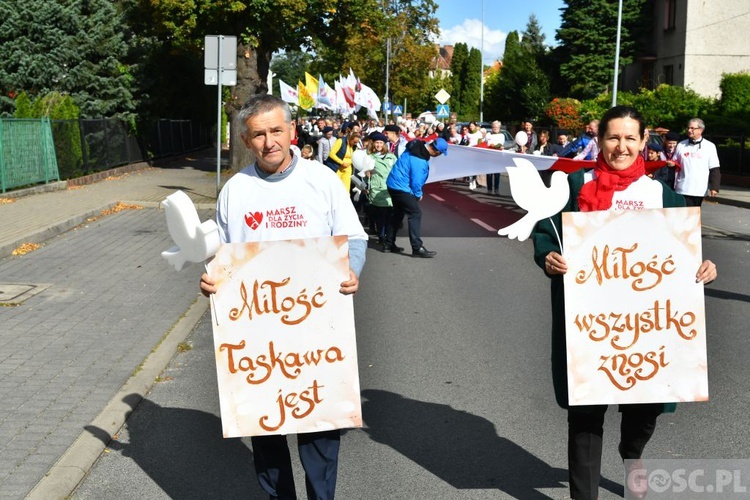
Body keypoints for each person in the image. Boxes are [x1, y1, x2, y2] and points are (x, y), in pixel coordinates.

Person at [531, 105, 717, 500]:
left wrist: (703, 266)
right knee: (586, 414)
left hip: (647, 327)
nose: (622, 146)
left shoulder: (660, 192)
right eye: (613, 137)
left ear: (643, 141)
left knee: (644, 410)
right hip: (588, 323)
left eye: (631, 137)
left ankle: (631, 453)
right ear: (600, 140)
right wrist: (547, 256)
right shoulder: (575, 184)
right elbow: (545, 231)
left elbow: (686, 248)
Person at [199, 94, 367, 500]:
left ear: (292, 131)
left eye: (277, 130)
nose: (269, 141)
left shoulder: (321, 180)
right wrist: (211, 279)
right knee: (265, 429)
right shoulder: (235, 191)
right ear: (245, 138)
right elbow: (221, 253)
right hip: (256, 336)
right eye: (258, 134)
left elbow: (354, 236)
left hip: (316, 329)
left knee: (320, 428)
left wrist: (351, 271)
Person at [383, 137, 448, 257]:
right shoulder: (420, 160)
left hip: (392, 184)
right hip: (401, 188)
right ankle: (417, 248)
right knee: (415, 214)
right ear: (437, 152)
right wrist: (418, 195)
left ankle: (388, 243)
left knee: (397, 214)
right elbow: (416, 182)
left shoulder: (415, 148)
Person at [673, 118, 721, 206]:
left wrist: (714, 187)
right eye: (688, 128)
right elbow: (674, 163)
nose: (689, 130)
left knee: (694, 215)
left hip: (699, 189)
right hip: (682, 188)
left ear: (700, 130)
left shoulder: (709, 147)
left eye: (692, 128)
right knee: (683, 215)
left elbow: (714, 169)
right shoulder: (681, 145)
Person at [366, 132, 397, 244]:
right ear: (373, 144)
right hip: (377, 189)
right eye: (376, 143)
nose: (378, 145)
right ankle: (381, 237)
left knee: (390, 216)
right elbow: (364, 173)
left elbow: (396, 172)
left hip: (390, 189)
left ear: (384, 144)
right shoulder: (369, 157)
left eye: (381, 143)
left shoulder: (392, 157)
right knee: (381, 215)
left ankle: (388, 237)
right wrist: (366, 176)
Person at [485, 120, 505, 194]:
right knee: (489, 174)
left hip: (497, 157)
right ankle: (489, 189)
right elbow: (486, 143)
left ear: (499, 128)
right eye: (494, 127)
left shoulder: (502, 135)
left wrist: (494, 146)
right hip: (489, 156)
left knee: (497, 174)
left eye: (496, 127)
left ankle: (496, 189)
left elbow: (500, 144)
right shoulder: (488, 134)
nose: (495, 128)